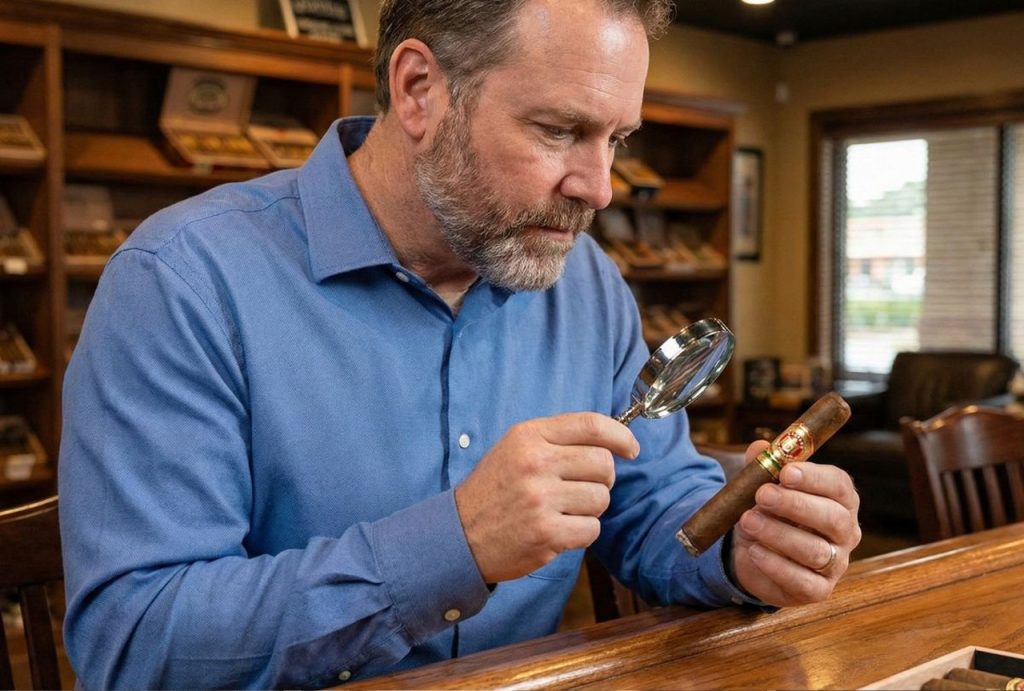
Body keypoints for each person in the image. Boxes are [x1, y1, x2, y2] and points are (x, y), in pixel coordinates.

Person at [58, 0, 862, 688]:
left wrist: (743, 548)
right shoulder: (183, 283)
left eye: (617, 138)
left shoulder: (587, 283)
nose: (599, 187)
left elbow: (652, 505)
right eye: (560, 130)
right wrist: (458, 543)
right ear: (419, 90)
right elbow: (133, 641)